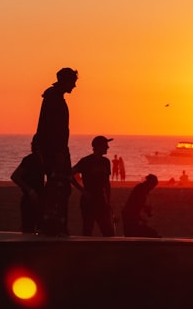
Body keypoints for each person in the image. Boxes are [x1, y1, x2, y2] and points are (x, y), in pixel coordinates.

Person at [32, 67, 78, 236]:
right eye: (72, 82)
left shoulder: (54, 97)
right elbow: (52, 127)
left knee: (59, 186)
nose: (74, 86)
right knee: (58, 186)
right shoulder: (54, 98)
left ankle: (54, 222)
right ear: (65, 81)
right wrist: (58, 152)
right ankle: (52, 223)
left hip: (55, 148)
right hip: (54, 149)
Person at [71, 135, 115, 237]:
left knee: (107, 230)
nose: (107, 147)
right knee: (88, 229)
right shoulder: (86, 161)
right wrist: (82, 190)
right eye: (105, 145)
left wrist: (108, 201)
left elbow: (106, 183)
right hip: (88, 199)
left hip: (101, 199)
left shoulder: (106, 162)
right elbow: (70, 174)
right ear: (98, 146)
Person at [11, 150, 45, 233]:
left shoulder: (45, 159)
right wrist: (30, 191)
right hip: (29, 199)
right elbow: (15, 176)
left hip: (41, 198)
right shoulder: (29, 159)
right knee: (28, 229)